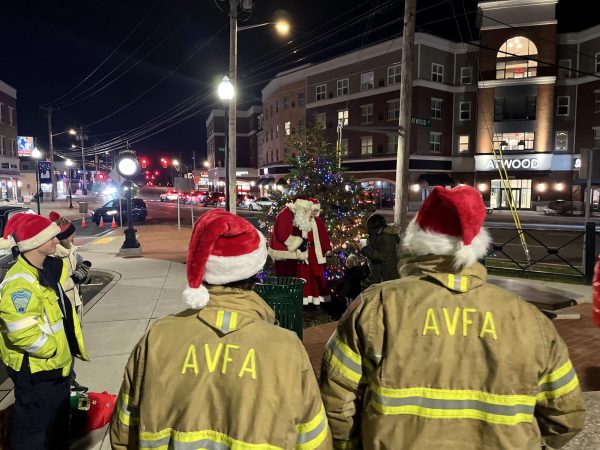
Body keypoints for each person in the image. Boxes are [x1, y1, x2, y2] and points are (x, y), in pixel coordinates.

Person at [320, 185, 585, 450]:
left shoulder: (375, 307)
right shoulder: (530, 321)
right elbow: (566, 419)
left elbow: (336, 403)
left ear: (418, 243)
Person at [111, 209, 332, 450]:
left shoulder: (157, 339)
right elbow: (313, 440)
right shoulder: (286, 348)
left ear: (199, 271)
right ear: (255, 274)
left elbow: (124, 433)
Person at [0, 213, 88, 450]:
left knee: (56, 427)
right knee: (35, 433)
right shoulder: (21, 283)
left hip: (53, 368)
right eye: (51, 238)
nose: (57, 241)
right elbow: (22, 333)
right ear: (36, 243)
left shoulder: (43, 270)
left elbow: (64, 252)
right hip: (38, 372)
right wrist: (53, 350)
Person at [49, 210, 92, 392]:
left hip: (74, 303)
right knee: (65, 345)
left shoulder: (71, 252)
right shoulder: (55, 257)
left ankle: (70, 379)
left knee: (72, 343)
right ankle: (65, 382)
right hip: (63, 307)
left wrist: (84, 276)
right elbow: (55, 285)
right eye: (72, 231)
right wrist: (75, 279)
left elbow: (77, 278)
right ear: (65, 235)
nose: (75, 234)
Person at [295, 198, 332, 305]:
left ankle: (317, 298)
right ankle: (305, 299)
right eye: (313, 211)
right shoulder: (301, 220)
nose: (315, 213)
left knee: (316, 274)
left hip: (316, 252)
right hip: (304, 251)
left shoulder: (318, 221)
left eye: (316, 211)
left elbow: (323, 237)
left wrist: (327, 249)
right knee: (304, 275)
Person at [358, 213, 400, 286]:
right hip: (382, 278)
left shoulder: (386, 236)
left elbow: (383, 256)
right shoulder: (379, 235)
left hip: (387, 279)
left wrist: (364, 249)